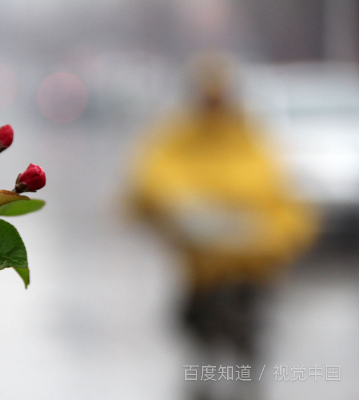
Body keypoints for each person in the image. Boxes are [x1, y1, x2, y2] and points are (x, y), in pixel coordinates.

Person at [129, 55, 317, 400]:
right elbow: (150, 180)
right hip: (201, 273)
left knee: (245, 343)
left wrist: (267, 235)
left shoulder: (250, 137)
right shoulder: (177, 136)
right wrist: (185, 212)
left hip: (249, 273)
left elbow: (282, 197)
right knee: (203, 345)